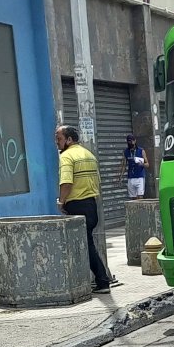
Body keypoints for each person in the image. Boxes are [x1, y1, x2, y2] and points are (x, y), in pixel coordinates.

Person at [55, 125, 110, 294]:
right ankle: (98, 280)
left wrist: (61, 202)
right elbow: (97, 181)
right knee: (86, 243)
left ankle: (102, 281)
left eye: (59, 139)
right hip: (91, 205)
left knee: (84, 244)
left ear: (69, 140)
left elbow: (66, 182)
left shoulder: (67, 156)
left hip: (77, 205)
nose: (57, 143)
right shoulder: (89, 155)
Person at [117, 134, 149, 199]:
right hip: (131, 178)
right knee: (133, 198)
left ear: (135, 141)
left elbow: (147, 164)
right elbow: (123, 165)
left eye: (131, 141)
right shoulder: (126, 152)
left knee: (140, 197)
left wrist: (142, 164)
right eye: (128, 141)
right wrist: (120, 177)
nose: (130, 143)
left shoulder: (141, 151)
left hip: (140, 177)